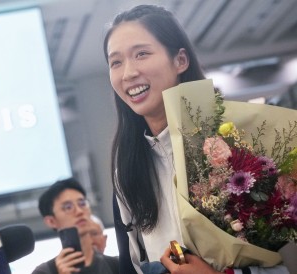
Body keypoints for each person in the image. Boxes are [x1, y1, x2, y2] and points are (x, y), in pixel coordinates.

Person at [103, 4, 289, 274]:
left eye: (141, 54)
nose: (128, 73)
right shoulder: (126, 174)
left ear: (180, 60)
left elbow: (280, 258)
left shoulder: (237, 150)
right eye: (115, 62)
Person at [32, 178, 119, 274]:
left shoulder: (116, 265)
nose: (79, 211)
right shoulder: (43, 272)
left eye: (82, 203)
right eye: (68, 207)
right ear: (51, 221)